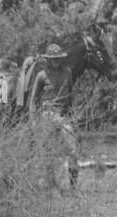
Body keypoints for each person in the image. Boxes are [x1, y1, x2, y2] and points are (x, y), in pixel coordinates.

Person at [28, 43, 80, 187]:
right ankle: (52, 184)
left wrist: (73, 115)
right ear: (48, 60)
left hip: (63, 116)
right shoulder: (41, 75)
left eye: (58, 58)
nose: (56, 61)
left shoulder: (67, 72)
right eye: (53, 59)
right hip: (47, 115)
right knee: (48, 150)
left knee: (73, 150)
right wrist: (33, 120)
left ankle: (74, 186)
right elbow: (33, 100)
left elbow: (71, 94)